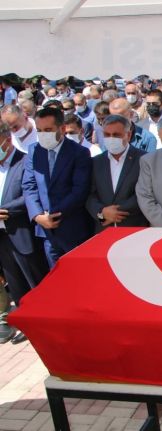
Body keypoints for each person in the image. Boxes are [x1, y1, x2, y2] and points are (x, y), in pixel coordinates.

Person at [21, 107, 93, 268]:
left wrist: (53, 215)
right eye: (39, 130)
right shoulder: (34, 150)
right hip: (46, 231)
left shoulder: (79, 153)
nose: (43, 134)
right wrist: (37, 215)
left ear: (62, 129)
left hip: (72, 228)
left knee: (78, 274)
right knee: (55, 275)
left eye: (48, 130)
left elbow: (79, 190)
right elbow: (29, 185)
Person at [0, 121, 49, 344]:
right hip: (3, 238)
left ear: (7, 140)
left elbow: (30, 194)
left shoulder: (25, 161)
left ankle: (44, 323)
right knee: (15, 283)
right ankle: (27, 325)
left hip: (22, 233)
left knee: (34, 281)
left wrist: (6, 210)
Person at [85, 115, 148, 232]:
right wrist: (102, 213)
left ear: (128, 135)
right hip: (104, 229)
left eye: (116, 135)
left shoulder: (144, 159)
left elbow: (145, 193)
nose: (111, 138)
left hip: (134, 228)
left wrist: (115, 213)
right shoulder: (96, 162)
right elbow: (90, 195)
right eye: (107, 135)